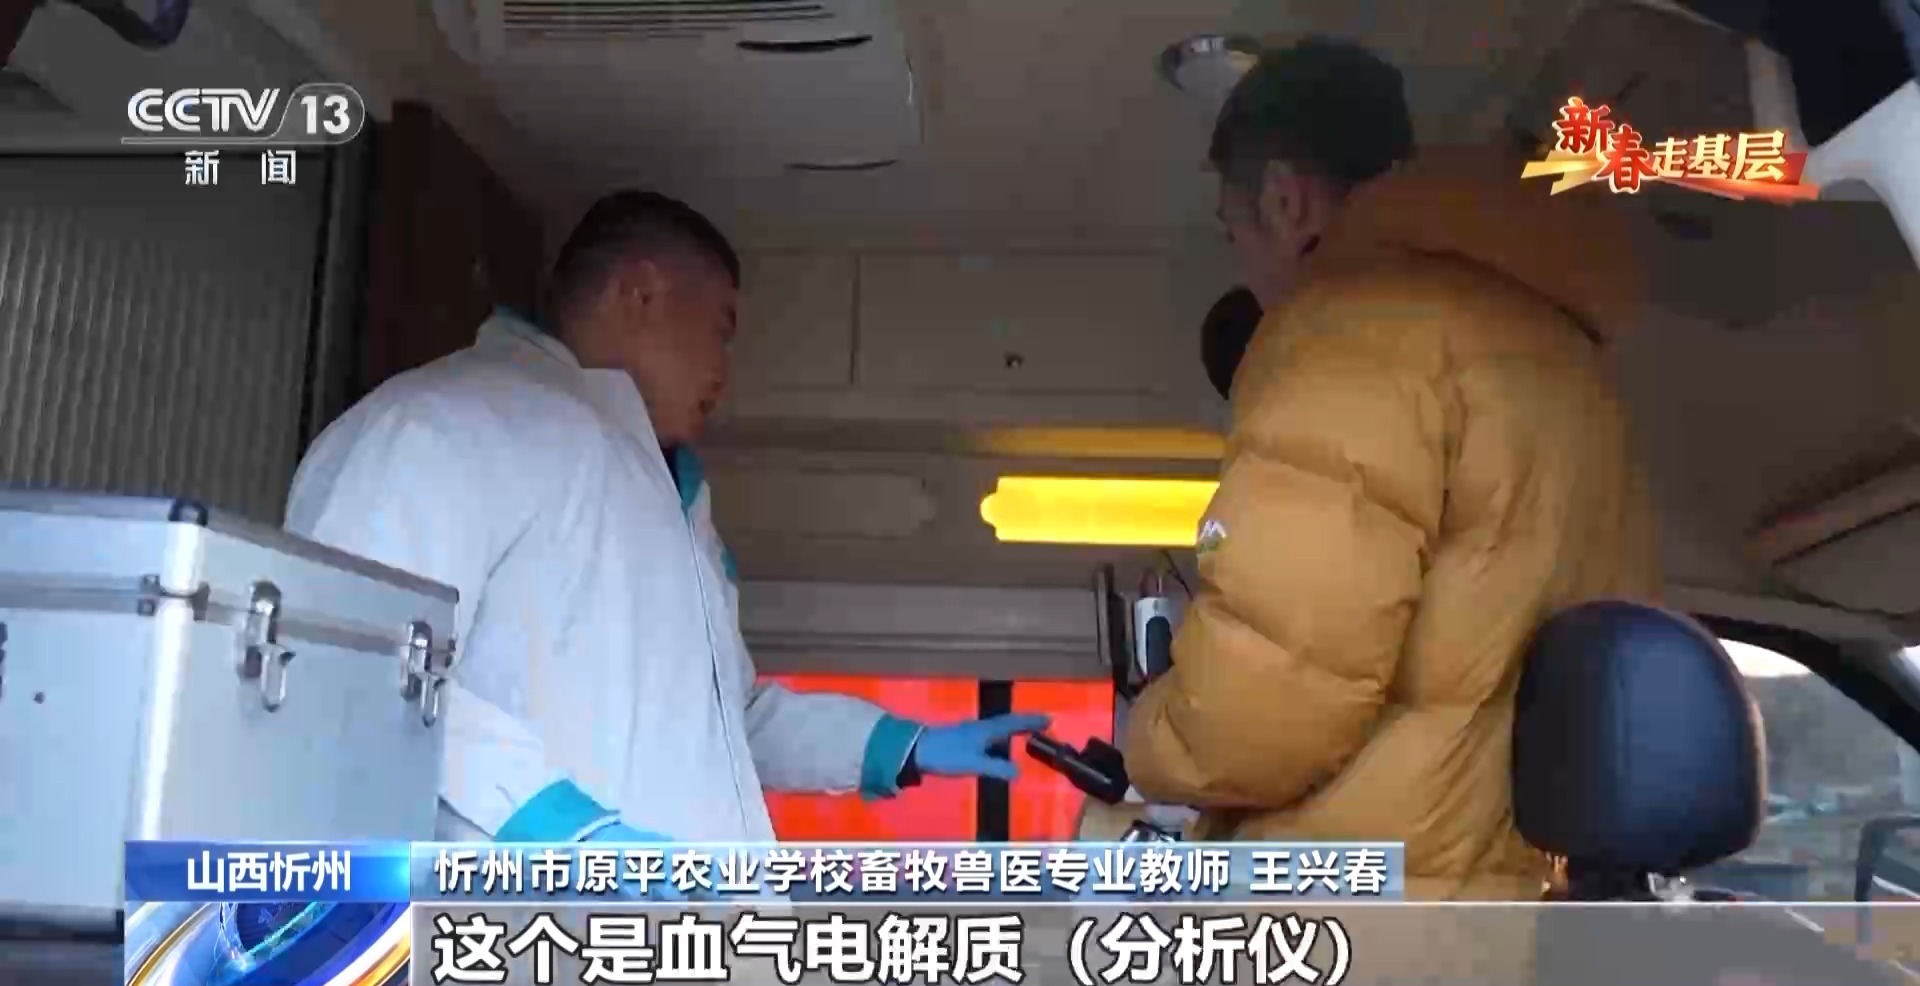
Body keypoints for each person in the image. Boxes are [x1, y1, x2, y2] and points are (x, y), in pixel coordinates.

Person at [286, 191, 1047, 857]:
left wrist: (899, 747)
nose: (726, 369)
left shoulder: (668, 498)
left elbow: (730, 718)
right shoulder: (442, 424)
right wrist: (562, 831)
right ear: (640, 291)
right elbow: (354, 666)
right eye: (722, 327)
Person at [1122, 39, 1660, 899]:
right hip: (1496, 902)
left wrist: (1149, 734)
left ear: (1286, 200)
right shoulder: (1569, 366)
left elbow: (1266, 708)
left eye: (1234, 232)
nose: (1244, 271)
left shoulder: (1350, 338)